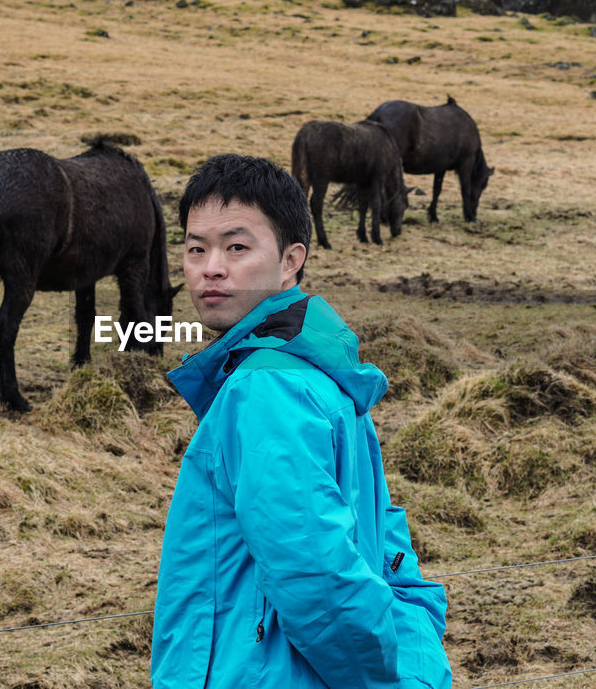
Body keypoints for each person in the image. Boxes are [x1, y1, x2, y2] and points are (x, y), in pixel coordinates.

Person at [151, 154, 452, 689]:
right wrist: (414, 650)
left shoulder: (267, 389)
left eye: (237, 247)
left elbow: (318, 579)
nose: (210, 267)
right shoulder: (315, 369)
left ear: (291, 260)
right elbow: (385, 545)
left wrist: (384, 681)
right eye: (196, 248)